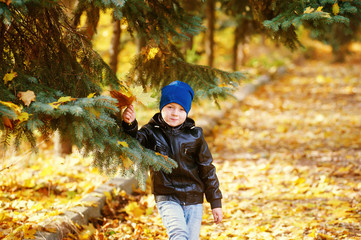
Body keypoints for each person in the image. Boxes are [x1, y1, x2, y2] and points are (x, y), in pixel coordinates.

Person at [121, 80, 223, 240]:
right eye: (170, 107)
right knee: (178, 234)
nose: (175, 113)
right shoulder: (150, 132)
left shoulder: (195, 135)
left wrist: (215, 201)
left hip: (193, 197)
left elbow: (207, 168)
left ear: (187, 112)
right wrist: (130, 124)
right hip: (167, 195)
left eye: (181, 109)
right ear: (161, 107)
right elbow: (134, 142)